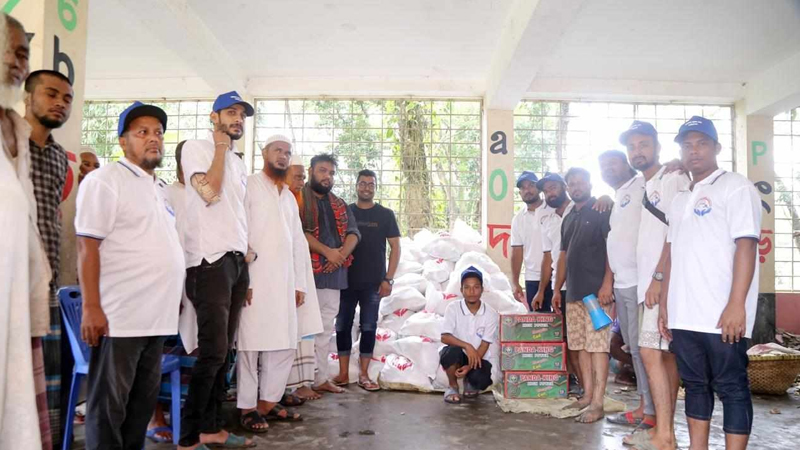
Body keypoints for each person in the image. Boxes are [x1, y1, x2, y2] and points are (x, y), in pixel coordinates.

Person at [75, 102, 185, 450]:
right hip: (120, 318)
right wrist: (92, 307)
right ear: (123, 142)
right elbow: (87, 246)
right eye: (143, 132)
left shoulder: (159, 187)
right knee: (109, 411)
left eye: (158, 133)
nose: (154, 138)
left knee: (139, 410)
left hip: (155, 319)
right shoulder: (105, 180)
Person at [659, 116, 760, 450]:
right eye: (687, 145)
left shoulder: (736, 186)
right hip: (684, 314)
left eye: (702, 143)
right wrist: (664, 306)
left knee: (731, 386)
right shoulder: (680, 199)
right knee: (695, 385)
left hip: (722, 314)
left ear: (717, 147)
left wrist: (736, 305)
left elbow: (746, 245)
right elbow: (672, 254)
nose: (694, 150)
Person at [179, 91, 254, 450]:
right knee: (211, 352)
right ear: (213, 117)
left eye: (241, 114)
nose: (237, 119)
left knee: (224, 352)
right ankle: (188, 437)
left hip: (235, 263)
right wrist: (221, 148)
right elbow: (209, 193)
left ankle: (210, 427)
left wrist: (245, 253)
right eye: (230, 112)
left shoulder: (238, 162)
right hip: (208, 262)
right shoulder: (196, 147)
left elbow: (235, 212)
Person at [622, 120, 690, 449]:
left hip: (661, 283)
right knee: (664, 357)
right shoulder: (645, 185)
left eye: (643, 144)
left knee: (650, 352)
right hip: (650, 283)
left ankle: (664, 435)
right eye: (632, 147)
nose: (637, 151)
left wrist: (659, 278)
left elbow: (677, 233)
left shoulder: (673, 178)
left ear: (658, 147)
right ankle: (665, 430)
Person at [236, 134, 308, 432]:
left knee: (283, 344)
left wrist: (299, 284)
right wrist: (242, 281)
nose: (283, 156)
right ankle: (247, 407)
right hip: (254, 281)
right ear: (264, 153)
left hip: (284, 284)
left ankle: (267, 401)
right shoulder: (249, 186)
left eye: (287, 152)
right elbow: (238, 231)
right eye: (278, 150)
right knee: (250, 347)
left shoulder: (289, 196)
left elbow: (297, 243)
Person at [0, 14, 49, 449]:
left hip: (17, 302)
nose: (20, 63)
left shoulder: (15, 131)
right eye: (12, 51)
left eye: (25, 54)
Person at [24, 67, 74, 447]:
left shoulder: (59, 157)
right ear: (28, 97)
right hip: (10, 284)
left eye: (67, 98)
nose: (60, 103)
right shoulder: (8, 144)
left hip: (47, 286)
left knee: (48, 385)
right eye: (51, 94)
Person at [599, 149, 656, 432]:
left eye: (613, 162)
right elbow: (615, 242)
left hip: (640, 281)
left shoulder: (645, 183)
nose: (608, 169)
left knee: (644, 349)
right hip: (622, 283)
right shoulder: (620, 195)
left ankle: (651, 409)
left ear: (626, 164)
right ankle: (645, 406)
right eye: (603, 166)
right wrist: (609, 281)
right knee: (635, 348)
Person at [553, 167, 613, 423]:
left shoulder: (602, 210)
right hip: (574, 294)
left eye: (580, 182)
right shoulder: (568, 218)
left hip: (597, 295)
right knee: (580, 348)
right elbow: (564, 255)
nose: (576, 187)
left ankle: (598, 403)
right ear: (568, 188)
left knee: (598, 348)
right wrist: (557, 289)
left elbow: (613, 248)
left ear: (589, 183)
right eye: (572, 184)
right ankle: (588, 396)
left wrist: (607, 284)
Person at [333, 169, 401, 391]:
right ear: (356, 186)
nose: (366, 188)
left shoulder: (385, 214)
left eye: (371, 184)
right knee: (342, 325)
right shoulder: (346, 212)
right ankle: (343, 373)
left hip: (374, 283)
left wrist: (388, 279)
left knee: (369, 326)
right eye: (362, 184)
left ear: (375, 188)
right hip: (345, 282)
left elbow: (396, 248)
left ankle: (363, 374)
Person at [300, 153, 361, 396]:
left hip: (334, 275)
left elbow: (354, 233)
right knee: (303, 329)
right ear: (311, 171)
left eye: (332, 173)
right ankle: (300, 383)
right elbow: (299, 233)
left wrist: (340, 256)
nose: (328, 176)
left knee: (325, 329)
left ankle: (321, 378)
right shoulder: (298, 199)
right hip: (306, 275)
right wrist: (329, 253)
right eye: (323, 171)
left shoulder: (339, 204)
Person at [535, 172, 581, 395]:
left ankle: (588, 381)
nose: (550, 193)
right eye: (546, 190)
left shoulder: (581, 209)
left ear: (564, 187)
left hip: (583, 284)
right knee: (565, 336)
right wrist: (542, 290)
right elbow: (548, 258)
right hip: (559, 287)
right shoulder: (547, 220)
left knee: (584, 337)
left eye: (553, 187)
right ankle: (573, 379)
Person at [284, 155, 324, 402]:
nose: (301, 182)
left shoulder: (298, 199)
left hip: (301, 271)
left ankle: (301, 383)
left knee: (305, 329)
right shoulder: (276, 198)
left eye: (302, 177)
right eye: (297, 177)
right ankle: (287, 388)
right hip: (284, 274)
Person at [440, 266, 499, 404]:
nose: (471, 292)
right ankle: (453, 387)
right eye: (467, 287)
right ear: (461, 290)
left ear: (482, 289)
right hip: (459, 355)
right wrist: (467, 346)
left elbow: (485, 344)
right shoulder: (453, 308)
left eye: (476, 287)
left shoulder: (490, 313)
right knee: (449, 352)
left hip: (478, 357)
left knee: (482, 380)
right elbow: (444, 337)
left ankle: (470, 382)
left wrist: (469, 367)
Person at [510, 171, 553, 312]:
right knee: (540, 326)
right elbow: (517, 252)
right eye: (523, 188)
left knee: (563, 322)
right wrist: (515, 282)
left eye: (531, 185)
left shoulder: (553, 209)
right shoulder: (518, 219)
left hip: (557, 276)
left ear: (539, 188)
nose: (527, 190)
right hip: (533, 278)